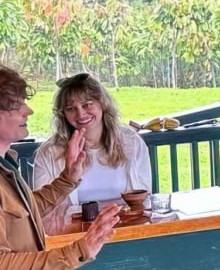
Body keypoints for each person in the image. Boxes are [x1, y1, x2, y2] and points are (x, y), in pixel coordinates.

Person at [0, 66, 121, 270]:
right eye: (17, 105)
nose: (28, 111)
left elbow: (25, 213)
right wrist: (79, 250)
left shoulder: (6, 166)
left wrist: (68, 179)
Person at [30, 72, 152, 210]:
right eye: (70, 109)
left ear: (103, 104)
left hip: (125, 223)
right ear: (63, 114)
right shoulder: (48, 153)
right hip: (74, 225)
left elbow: (144, 199)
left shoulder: (132, 142)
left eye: (87, 104)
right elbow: (43, 211)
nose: (80, 114)